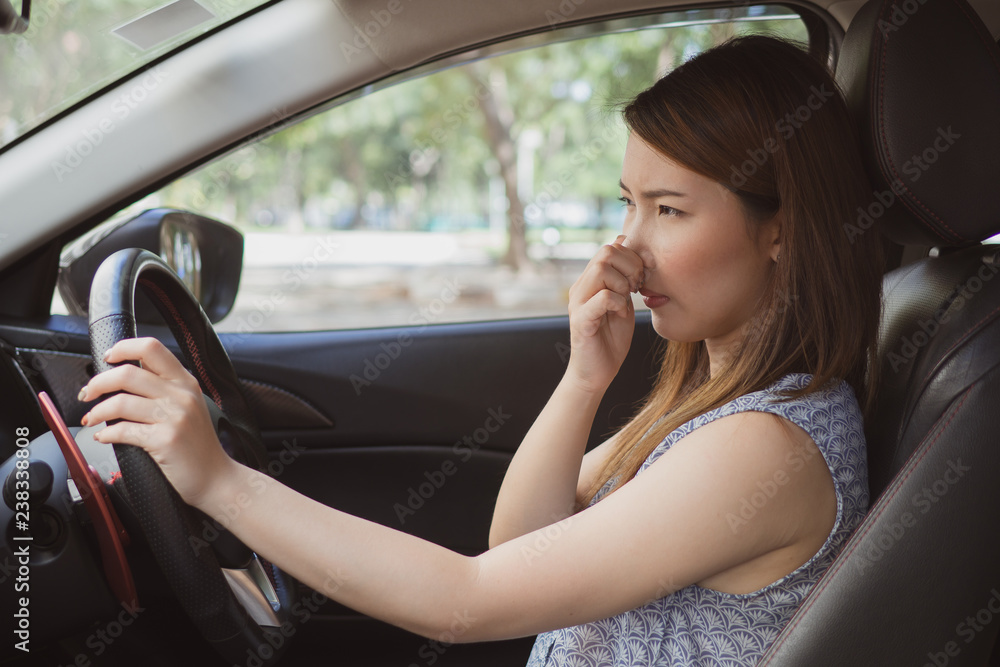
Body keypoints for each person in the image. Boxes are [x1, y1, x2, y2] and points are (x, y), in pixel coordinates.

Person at [77, 34, 883, 666]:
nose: (626, 247)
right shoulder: (714, 403)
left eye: (669, 210)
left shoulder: (762, 447)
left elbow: (466, 599)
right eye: (627, 203)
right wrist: (582, 378)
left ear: (780, 227)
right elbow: (519, 545)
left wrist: (219, 480)